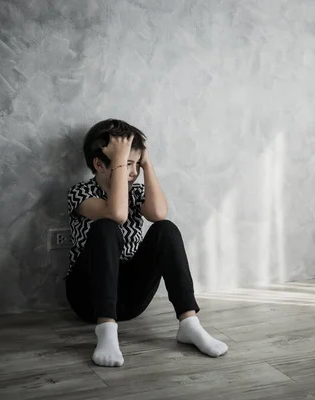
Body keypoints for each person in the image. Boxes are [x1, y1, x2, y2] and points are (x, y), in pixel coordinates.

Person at [65, 119, 228, 367]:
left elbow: (159, 213)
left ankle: (189, 323)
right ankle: (106, 330)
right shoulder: (80, 193)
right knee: (106, 227)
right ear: (99, 164)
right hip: (88, 298)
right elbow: (116, 214)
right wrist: (120, 160)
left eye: (136, 164)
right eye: (126, 164)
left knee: (166, 229)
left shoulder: (136, 192)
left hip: (130, 300)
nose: (132, 172)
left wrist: (147, 163)